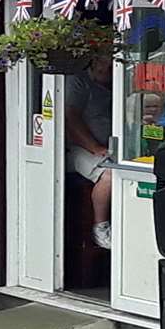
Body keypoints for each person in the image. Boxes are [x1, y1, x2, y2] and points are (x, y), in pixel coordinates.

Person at [63, 59, 115, 249]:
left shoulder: (117, 82)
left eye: (111, 66)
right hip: (78, 148)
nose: (107, 69)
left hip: (110, 147)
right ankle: (100, 229)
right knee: (109, 175)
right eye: (105, 65)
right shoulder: (78, 82)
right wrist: (94, 147)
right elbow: (71, 120)